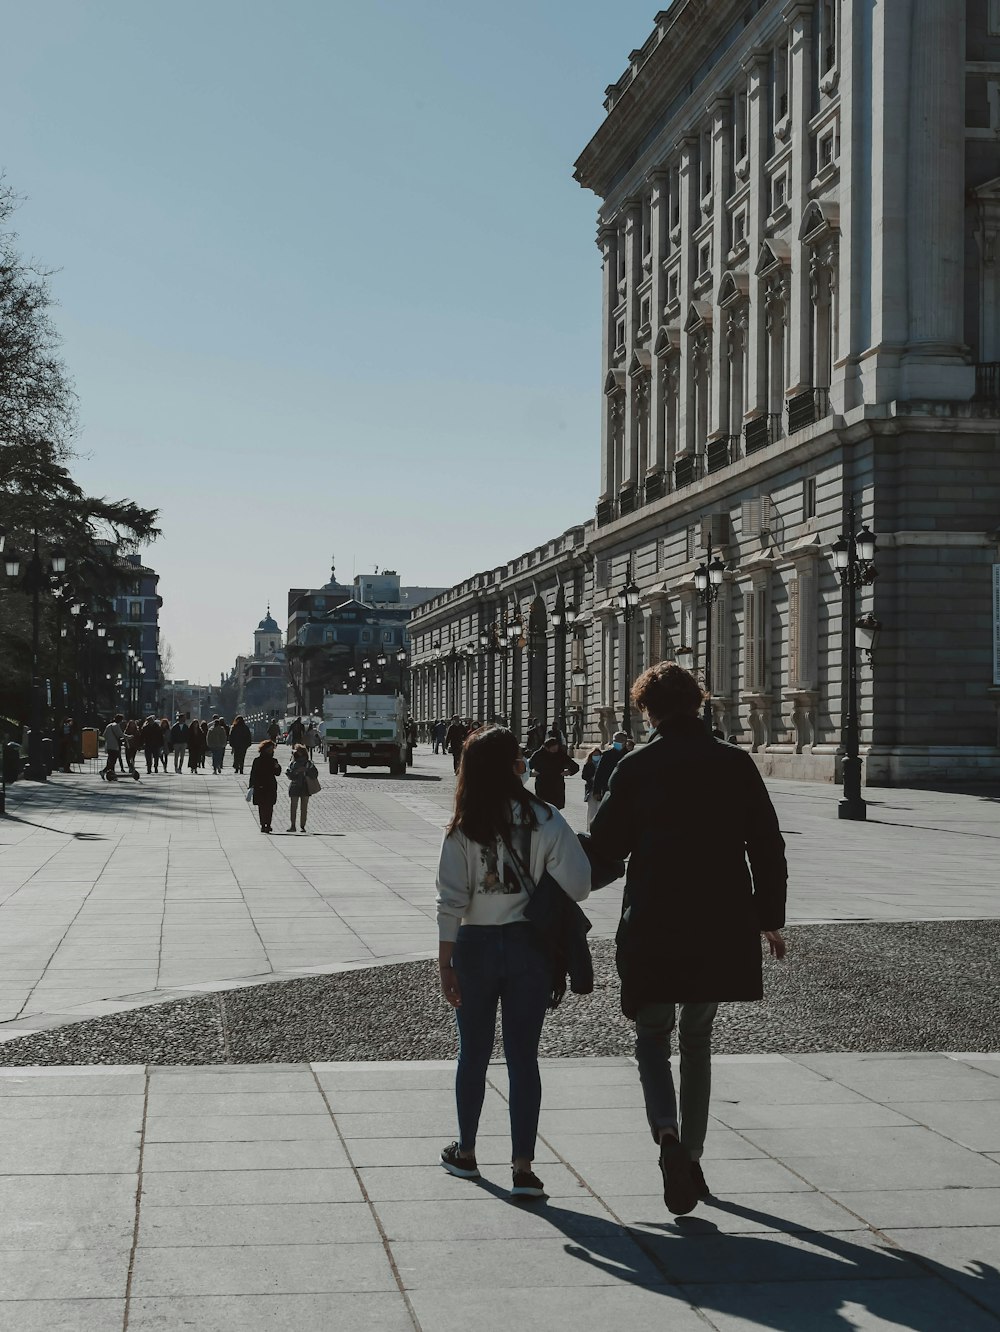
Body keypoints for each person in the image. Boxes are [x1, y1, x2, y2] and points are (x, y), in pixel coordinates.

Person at [588, 661, 787, 1217]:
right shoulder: (734, 764)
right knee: (697, 1041)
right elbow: (767, 845)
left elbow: (606, 849)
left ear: (647, 709)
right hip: (721, 918)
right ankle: (693, 1156)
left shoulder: (635, 766)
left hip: (654, 917)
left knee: (653, 1036)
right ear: (699, 703)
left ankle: (667, 1135)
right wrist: (769, 915)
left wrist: (561, 883)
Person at [436, 725, 592, 1198]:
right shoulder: (546, 818)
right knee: (524, 1057)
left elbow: (450, 901)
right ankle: (523, 1166)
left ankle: (466, 1151)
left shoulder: (464, 827)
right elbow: (580, 885)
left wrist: (445, 963)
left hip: (476, 946)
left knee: (473, 1054)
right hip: (529, 946)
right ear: (515, 764)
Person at [528, 736, 580, 810]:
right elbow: (528, 766)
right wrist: (531, 773)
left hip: (557, 785)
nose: (555, 750)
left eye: (556, 748)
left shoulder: (560, 754)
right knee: (543, 808)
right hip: (542, 785)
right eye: (553, 748)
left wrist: (569, 771)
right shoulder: (538, 755)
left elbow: (575, 766)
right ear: (546, 748)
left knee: (556, 808)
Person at [248, 739, 281, 833]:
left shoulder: (273, 760)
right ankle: (263, 824)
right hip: (261, 785)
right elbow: (253, 773)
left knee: (269, 806)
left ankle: (268, 824)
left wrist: (277, 767)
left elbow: (277, 773)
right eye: (270, 749)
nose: (271, 751)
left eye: (272, 749)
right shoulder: (258, 760)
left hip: (269, 785)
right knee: (262, 806)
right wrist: (251, 785)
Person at [285, 743, 318, 832]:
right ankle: (293, 825)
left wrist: (306, 771)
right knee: (293, 807)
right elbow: (288, 773)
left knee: (304, 808)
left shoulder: (308, 763)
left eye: (298, 751)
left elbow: (315, 774)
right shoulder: (293, 763)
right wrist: (296, 772)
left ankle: (302, 826)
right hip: (295, 786)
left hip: (305, 786)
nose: (296, 753)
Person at [591, 730, 629, 803]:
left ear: (625, 741)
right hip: (607, 789)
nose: (616, 742)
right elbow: (599, 772)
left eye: (619, 740)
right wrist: (596, 791)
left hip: (625, 790)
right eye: (615, 740)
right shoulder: (607, 755)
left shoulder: (629, 756)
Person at [580, 746, 605, 828]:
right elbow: (583, 776)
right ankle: (590, 828)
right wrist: (591, 778)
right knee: (592, 810)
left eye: (598, 755)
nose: (596, 756)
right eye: (595, 755)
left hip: (601, 790)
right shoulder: (588, 765)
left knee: (600, 809)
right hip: (591, 790)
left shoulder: (603, 764)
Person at [102, 715, 125, 781]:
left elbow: (104, 735)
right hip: (115, 746)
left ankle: (111, 775)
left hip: (109, 746)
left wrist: (109, 739)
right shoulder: (116, 725)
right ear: (120, 720)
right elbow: (121, 735)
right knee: (112, 761)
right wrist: (128, 737)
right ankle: (104, 772)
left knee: (110, 760)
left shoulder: (109, 725)